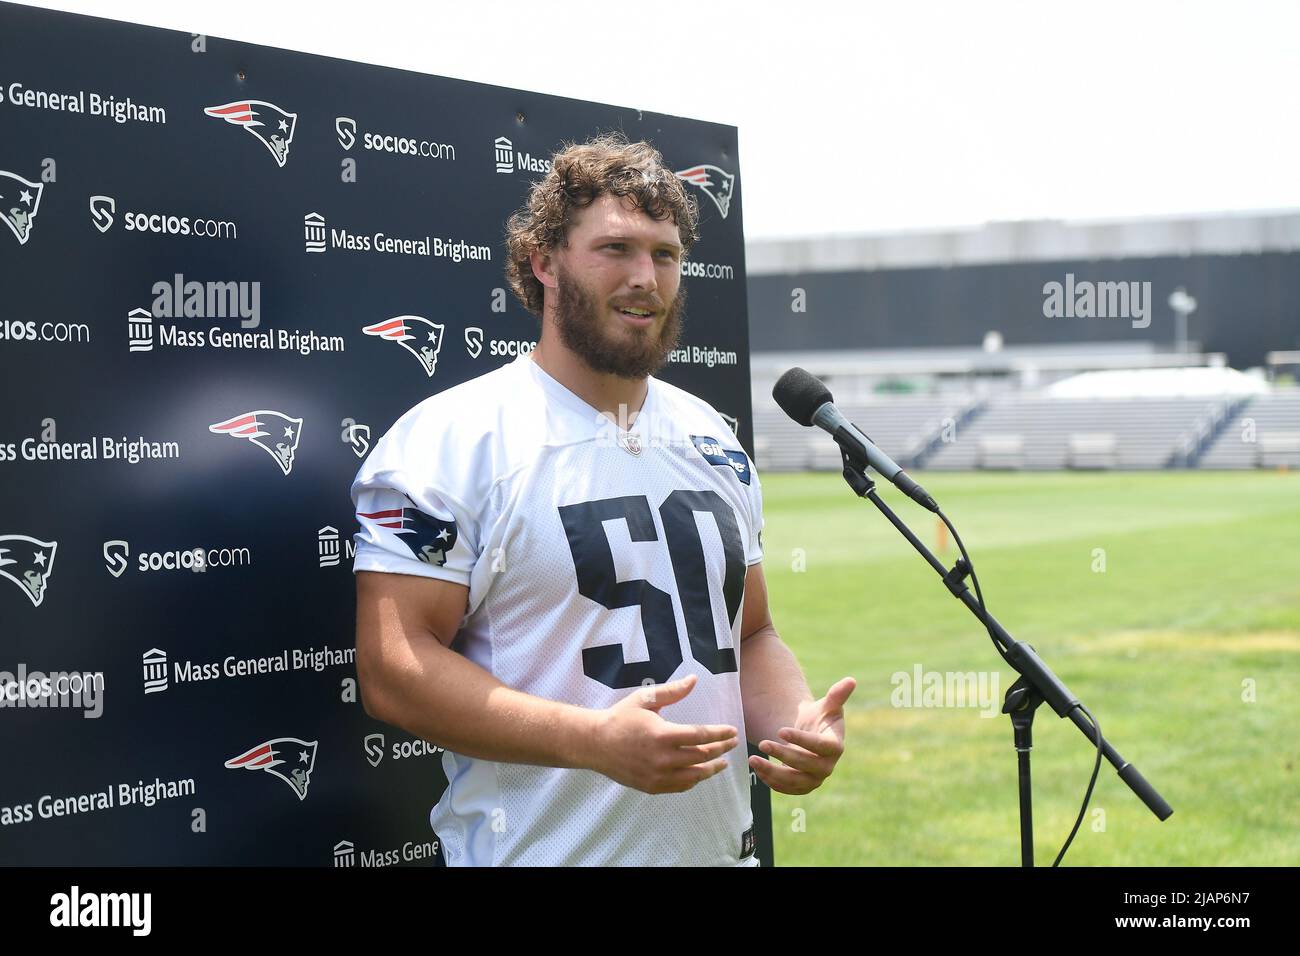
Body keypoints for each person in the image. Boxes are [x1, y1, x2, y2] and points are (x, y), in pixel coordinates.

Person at [351, 132, 855, 866]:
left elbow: (750, 635)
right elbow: (394, 671)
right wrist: (590, 740)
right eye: (616, 249)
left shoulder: (710, 436)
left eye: (665, 254)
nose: (645, 277)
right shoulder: (453, 440)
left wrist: (794, 724)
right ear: (543, 262)